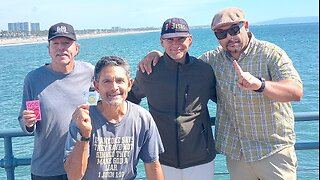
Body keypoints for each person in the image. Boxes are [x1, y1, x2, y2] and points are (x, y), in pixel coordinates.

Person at [138, 7, 303, 180]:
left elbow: (296, 91)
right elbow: (182, 63)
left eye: (233, 30)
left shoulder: (270, 53)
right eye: (221, 34)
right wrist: (157, 55)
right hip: (237, 154)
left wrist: (260, 85)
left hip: (272, 151)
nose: (229, 37)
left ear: (245, 26)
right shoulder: (213, 60)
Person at [127, 18, 217, 180]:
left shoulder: (204, 71)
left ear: (190, 40)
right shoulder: (148, 70)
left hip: (201, 159)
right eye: (170, 39)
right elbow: (129, 100)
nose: (175, 44)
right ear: (162, 42)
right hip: (161, 158)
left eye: (180, 38)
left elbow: (223, 100)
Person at [64, 56, 164, 180]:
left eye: (120, 81)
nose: (114, 87)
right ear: (96, 86)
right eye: (107, 81)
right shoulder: (83, 120)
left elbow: (153, 166)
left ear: (129, 84)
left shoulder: (142, 118)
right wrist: (84, 135)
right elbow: (74, 176)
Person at [18, 22, 94, 180]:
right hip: (47, 169)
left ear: (76, 49)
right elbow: (25, 123)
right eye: (55, 43)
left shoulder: (90, 72)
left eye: (66, 43)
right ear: (49, 49)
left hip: (84, 166)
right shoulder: (33, 79)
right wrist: (28, 122)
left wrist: (154, 54)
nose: (61, 48)